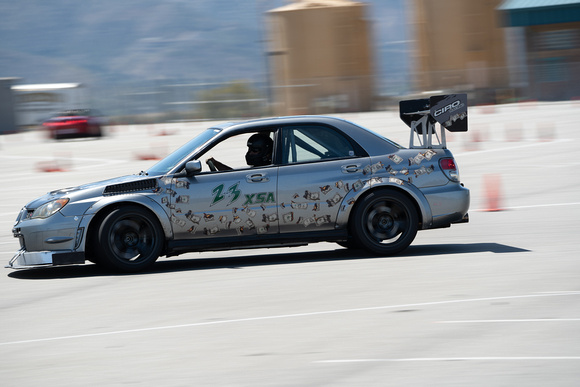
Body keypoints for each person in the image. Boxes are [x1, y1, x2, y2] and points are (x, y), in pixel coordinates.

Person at [206, 132, 273, 171]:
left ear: (267, 153)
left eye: (255, 150)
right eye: (249, 149)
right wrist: (215, 163)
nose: (250, 153)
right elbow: (233, 175)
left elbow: (232, 177)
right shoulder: (257, 168)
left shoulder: (267, 171)